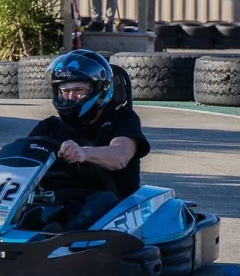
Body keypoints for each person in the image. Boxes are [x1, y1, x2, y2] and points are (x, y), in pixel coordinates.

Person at [28, 49, 150, 231]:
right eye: (65, 90)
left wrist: (84, 153)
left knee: (101, 203)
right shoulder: (49, 127)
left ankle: (66, 242)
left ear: (100, 89)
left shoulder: (123, 119)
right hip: (55, 199)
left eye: (78, 90)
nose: (70, 97)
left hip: (107, 202)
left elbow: (120, 156)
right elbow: (23, 158)